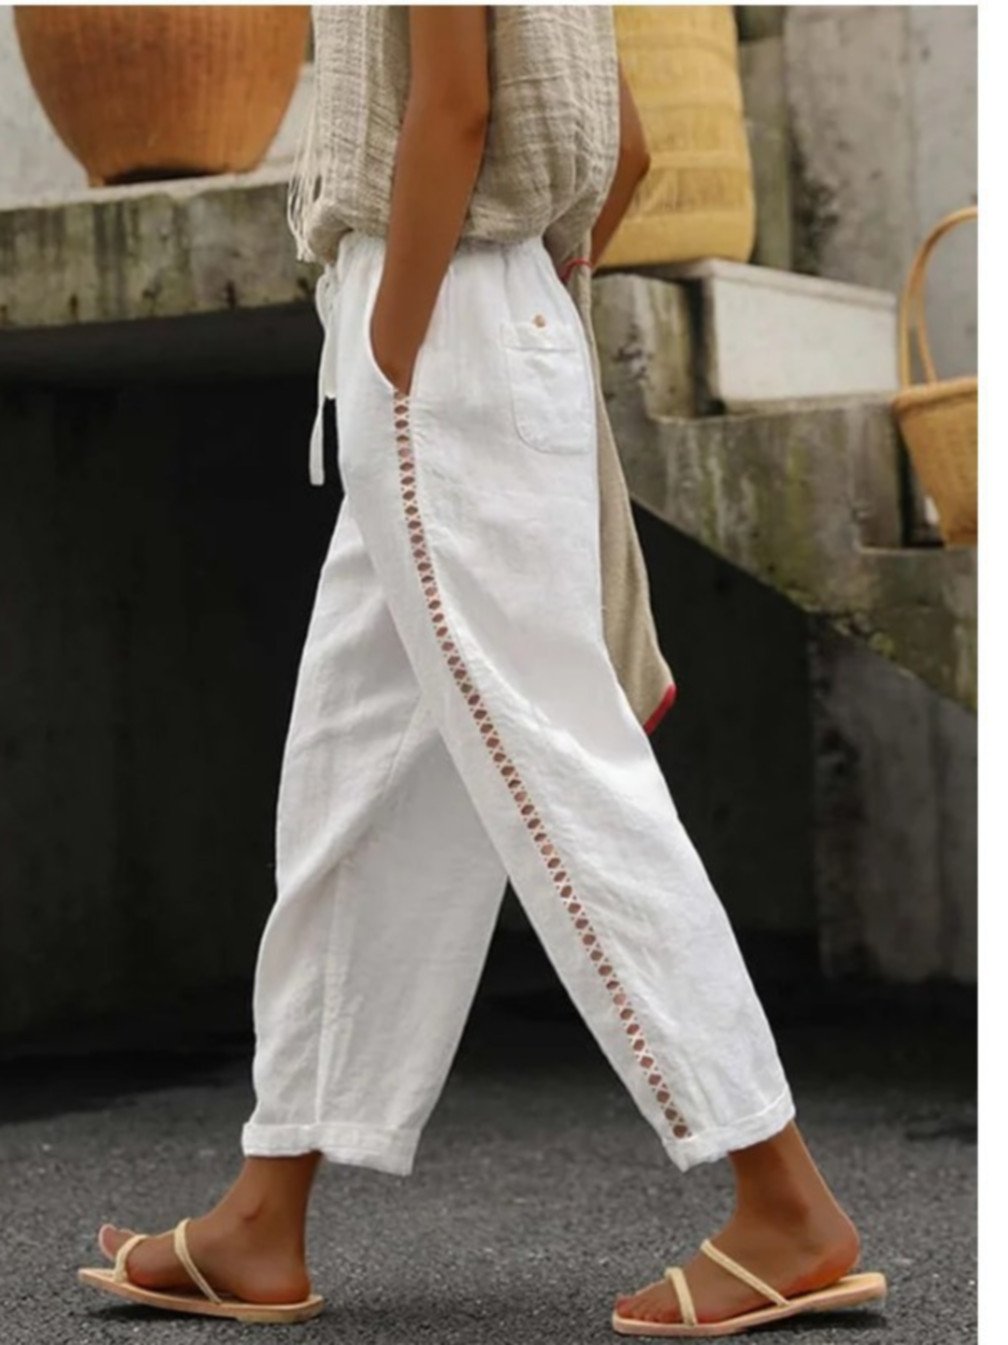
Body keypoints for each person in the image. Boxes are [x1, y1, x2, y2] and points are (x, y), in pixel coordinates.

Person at [78, 7, 886, 1334]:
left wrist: (397, 345)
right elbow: (623, 142)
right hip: (482, 318)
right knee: (352, 780)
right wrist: (509, 314)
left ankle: (783, 1197)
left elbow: (455, 105)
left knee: (558, 777)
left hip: (434, 335)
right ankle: (263, 1215)